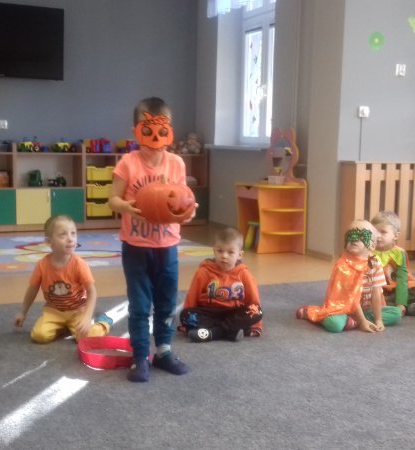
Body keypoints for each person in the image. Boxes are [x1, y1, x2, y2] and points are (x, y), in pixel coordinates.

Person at [108, 96, 196, 382]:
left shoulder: (176, 164)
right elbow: (112, 199)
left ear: (170, 131)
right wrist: (127, 207)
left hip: (167, 247)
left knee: (167, 303)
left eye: (162, 130)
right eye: (147, 131)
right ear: (136, 131)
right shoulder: (128, 163)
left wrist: (189, 212)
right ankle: (140, 356)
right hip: (136, 247)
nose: (155, 138)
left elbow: (182, 200)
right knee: (140, 305)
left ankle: (164, 351)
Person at [14, 215, 112, 343]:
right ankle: (63, 327)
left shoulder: (79, 264)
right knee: (39, 336)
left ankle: (103, 322)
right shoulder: (42, 265)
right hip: (53, 311)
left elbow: (91, 292)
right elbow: (32, 289)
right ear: (49, 242)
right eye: (63, 235)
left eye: (73, 233)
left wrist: (87, 317)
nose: (70, 239)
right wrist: (23, 312)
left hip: (78, 311)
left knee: (90, 336)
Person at [296, 219, 396, 333]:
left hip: (366, 309)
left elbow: (376, 293)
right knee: (335, 325)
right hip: (342, 309)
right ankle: (310, 312)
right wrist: (362, 322)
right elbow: (352, 298)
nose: (354, 239)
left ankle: (355, 321)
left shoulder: (375, 263)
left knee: (395, 313)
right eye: (350, 235)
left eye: (361, 236)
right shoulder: (343, 266)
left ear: (372, 246)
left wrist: (379, 320)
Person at [179, 227, 263, 342]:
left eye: (230, 252)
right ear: (214, 251)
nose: (224, 256)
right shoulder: (203, 272)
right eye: (220, 251)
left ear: (240, 255)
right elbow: (192, 297)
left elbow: (253, 300)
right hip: (209, 313)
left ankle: (213, 333)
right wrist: (185, 324)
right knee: (185, 315)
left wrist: (256, 326)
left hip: (234, 313)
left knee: (257, 311)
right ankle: (230, 332)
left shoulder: (244, 274)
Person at [371, 210, 415, 317]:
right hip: (378, 290)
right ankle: (406, 307)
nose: (378, 236)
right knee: (372, 298)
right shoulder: (368, 251)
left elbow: (402, 279)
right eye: (375, 232)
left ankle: (401, 306)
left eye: (383, 232)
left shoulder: (399, 253)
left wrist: (401, 303)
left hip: (398, 288)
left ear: (395, 235)